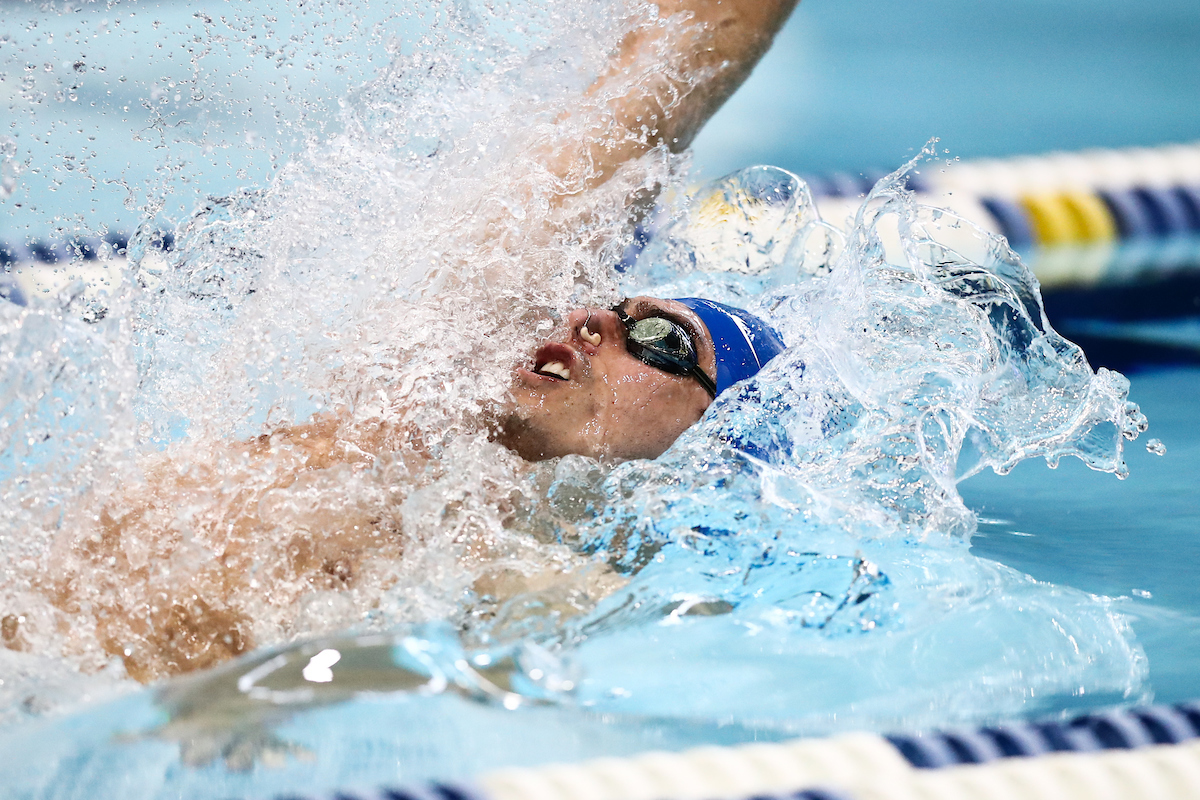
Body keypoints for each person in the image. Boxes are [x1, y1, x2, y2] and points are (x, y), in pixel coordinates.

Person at [2, 0, 800, 682]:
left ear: (710, 445)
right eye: (610, 305)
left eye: (660, 338)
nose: (592, 320)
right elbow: (657, 82)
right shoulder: (427, 381)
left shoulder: (555, 595)